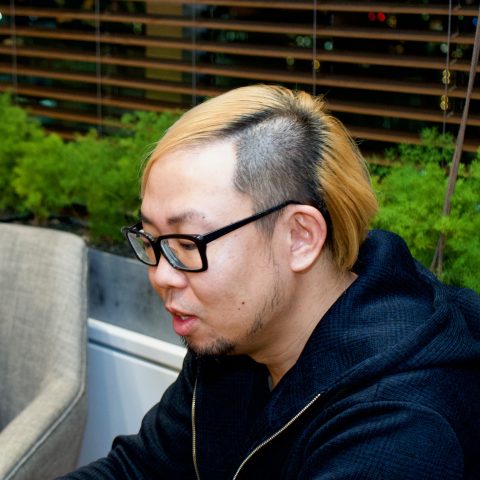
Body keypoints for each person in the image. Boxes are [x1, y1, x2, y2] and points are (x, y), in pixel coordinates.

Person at [61, 84, 480, 479]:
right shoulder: (233, 332)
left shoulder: (397, 425)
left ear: (300, 237)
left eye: (188, 243)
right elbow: (138, 469)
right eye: (152, 238)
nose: (161, 275)